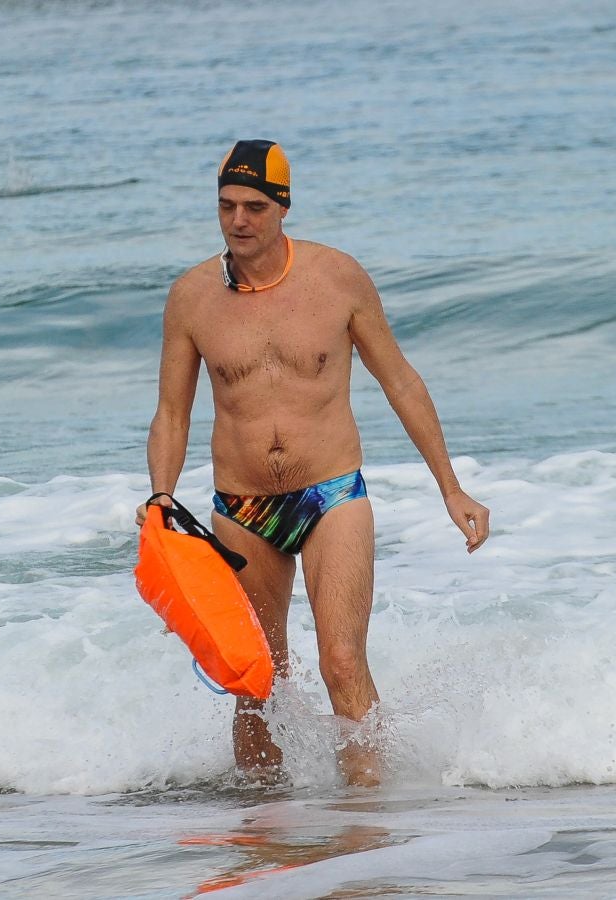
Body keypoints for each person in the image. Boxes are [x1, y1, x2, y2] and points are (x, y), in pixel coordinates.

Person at [137, 139, 490, 786]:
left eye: (252, 206)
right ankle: (263, 826)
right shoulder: (190, 298)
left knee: (340, 662)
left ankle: (362, 828)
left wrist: (450, 487)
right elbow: (172, 412)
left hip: (330, 494)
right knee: (256, 679)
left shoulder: (336, 279)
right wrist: (160, 496)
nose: (237, 220)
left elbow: (401, 382)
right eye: (225, 207)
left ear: (282, 207)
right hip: (240, 507)